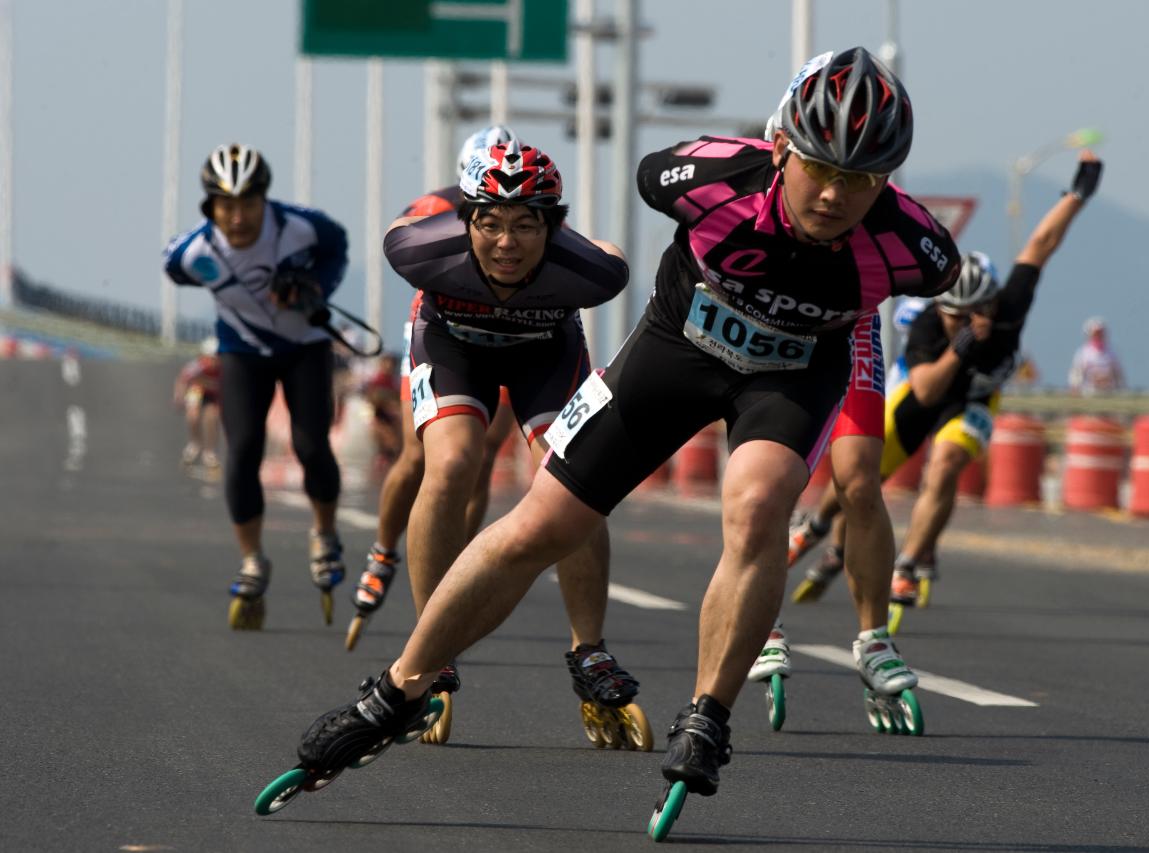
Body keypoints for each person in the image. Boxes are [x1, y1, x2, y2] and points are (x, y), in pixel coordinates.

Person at [266, 48, 957, 819]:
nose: (833, 193)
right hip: (675, 354)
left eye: (860, 179)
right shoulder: (704, 179)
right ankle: (394, 695)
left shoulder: (914, 250)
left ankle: (708, 715)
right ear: (782, 147)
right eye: (819, 167)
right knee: (541, 523)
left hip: (789, 379)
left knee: (759, 503)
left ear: (887, 182)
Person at [360, 136, 646, 747]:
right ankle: (430, 653)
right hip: (452, 345)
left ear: (554, 229)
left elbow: (611, 255)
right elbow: (400, 226)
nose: (506, 243)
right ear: (465, 221)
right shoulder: (420, 251)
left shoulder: (591, 272)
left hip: (545, 351)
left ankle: (589, 652)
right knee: (453, 462)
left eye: (526, 226)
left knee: (573, 478)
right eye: (488, 224)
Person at [788, 151, 1103, 620]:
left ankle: (911, 561)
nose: (968, 320)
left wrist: (1077, 194)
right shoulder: (929, 327)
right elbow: (927, 392)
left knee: (948, 463)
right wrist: (960, 346)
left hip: (973, 400)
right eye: (956, 314)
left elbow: (1041, 243)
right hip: (925, 392)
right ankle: (817, 525)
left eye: (978, 312)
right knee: (859, 475)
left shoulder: (1008, 306)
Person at [346, 126, 519, 651]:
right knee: (418, 456)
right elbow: (401, 241)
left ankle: (453, 570)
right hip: (444, 333)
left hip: (513, 336)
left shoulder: (530, 204)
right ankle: (383, 550)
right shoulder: (435, 205)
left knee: (485, 453)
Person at [163, 143, 349, 630]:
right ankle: (252, 560)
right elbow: (171, 266)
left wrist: (312, 282)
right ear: (210, 208)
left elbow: (337, 245)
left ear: (264, 200)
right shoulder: (193, 251)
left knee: (311, 445)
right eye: (227, 207)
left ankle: (324, 536)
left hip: (305, 345)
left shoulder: (299, 226)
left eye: (248, 204)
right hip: (242, 352)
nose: (239, 217)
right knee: (242, 449)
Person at [174, 337, 222, 474]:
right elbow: (182, 380)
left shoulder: (223, 366)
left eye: (215, 358)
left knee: (212, 417)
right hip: (197, 389)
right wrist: (179, 396)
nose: (212, 362)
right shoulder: (198, 365)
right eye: (210, 358)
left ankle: (209, 451)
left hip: (213, 393)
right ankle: (194, 443)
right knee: (192, 415)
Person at [1068, 316, 1124, 394]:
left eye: (1101, 333)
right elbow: (1076, 376)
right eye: (1096, 334)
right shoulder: (1083, 353)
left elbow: (1119, 375)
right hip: (1088, 393)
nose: (1099, 336)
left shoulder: (1112, 352)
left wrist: (1121, 390)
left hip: (1110, 393)